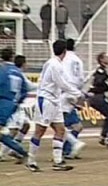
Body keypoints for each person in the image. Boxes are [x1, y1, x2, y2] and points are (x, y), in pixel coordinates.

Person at [26, 40, 86, 172]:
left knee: (60, 130)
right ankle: (31, 160)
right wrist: (78, 94)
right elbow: (62, 83)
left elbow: (63, 84)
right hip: (46, 100)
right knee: (40, 131)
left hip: (55, 100)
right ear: (64, 51)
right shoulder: (55, 65)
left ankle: (58, 161)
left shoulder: (53, 63)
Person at [0, 55, 36, 162]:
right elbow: (27, 88)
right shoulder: (15, 73)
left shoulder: (5, 71)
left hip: (8, 104)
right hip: (12, 104)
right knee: (13, 130)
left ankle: (17, 151)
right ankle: (17, 151)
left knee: (22, 126)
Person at [88, 52, 108, 148]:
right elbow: (99, 81)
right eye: (106, 57)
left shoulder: (103, 70)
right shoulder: (101, 71)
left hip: (97, 98)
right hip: (98, 97)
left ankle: (103, 136)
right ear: (101, 60)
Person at [61, 39, 85, 159]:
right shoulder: (78, 60)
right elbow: (81, 79)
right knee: (75, 126)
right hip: (73, 92)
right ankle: (67, 148)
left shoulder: (62, 59)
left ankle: (66, 149)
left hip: (63, 92)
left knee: (61, 124)